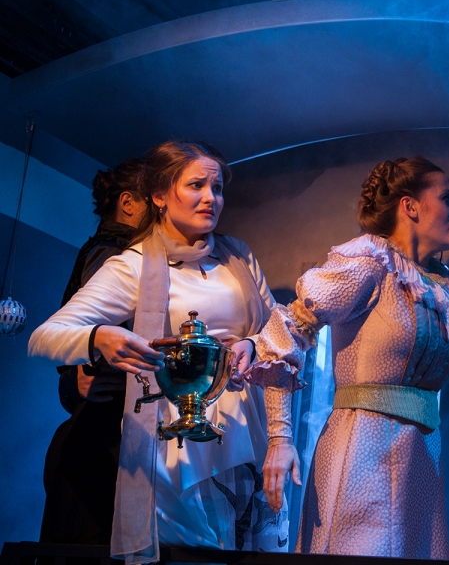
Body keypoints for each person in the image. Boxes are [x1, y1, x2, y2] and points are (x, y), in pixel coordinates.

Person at [29, 140, 285, 563]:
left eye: (217, 188)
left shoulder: (238, 256)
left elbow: (279, 329)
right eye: (196, 185)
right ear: (160, 195)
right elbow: (44, 337)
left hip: (247, 428)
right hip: (178, 443)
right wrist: (99, 337)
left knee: (250, 554)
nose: (211, 198)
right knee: (194, 555)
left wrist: (252, 344)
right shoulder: (132, 265)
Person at [245, 157, 449, 558]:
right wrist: (280, 438)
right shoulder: (368, 264)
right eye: (448, 198)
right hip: (362, 454)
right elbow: (283, 333)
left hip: (421, 455)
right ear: (410, 206)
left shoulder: (438, 286)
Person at [40, 158, 147, 545]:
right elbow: (86, 334)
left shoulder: (109, 250)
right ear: (127, 202)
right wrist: (81, 375)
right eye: (152, 199)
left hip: (97, 433)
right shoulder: (116, 255)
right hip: (99, 439)